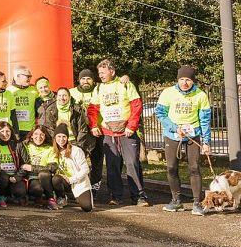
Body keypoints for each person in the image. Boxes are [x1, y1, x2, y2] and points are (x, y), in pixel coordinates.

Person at [87, 59, 149, 207]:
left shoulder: (125, 84)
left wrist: (131, 126)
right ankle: (115, 196)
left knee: (132, 163)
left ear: (112, 71)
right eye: (99, 73)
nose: (100, 75)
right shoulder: (98, 88)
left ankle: (139, 196)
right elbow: (92, 109)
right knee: (112, 165)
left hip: (127, 132)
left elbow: (136, 105)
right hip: (108, 133)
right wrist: (94, 125)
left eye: (103, 72)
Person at [156, 65, 211, 215]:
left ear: (193, 81)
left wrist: (206, 142)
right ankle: (176, 201)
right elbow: (160, 113)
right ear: (177, 80)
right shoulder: (168, 93)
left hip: (193, 134)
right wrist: (174, 128)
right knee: (171, 167)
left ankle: (197, 203)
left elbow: (205, 120)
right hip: (172, 134)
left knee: (194, 167)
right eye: (181, 79)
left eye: (188, 80)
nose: (184, 83)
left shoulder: (201, 95)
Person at [70, 68, 104, 194]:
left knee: (97, 161)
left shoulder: (100, 89)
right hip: (79, 132)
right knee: (77, 161)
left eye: (89, 78)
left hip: (98, 130)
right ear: (79, 80)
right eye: (83, 78)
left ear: (93, 80)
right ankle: (76, 187)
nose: (86, 81)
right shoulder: (71, 92)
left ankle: (95, 186)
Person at [0, 120, 27, 208]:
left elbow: (25, 163)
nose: (5, 134)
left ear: (11, 132)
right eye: (2, 131)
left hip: (15, 175)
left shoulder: (18, 145)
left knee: (20, 191)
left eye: (7, 131)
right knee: (3, 176)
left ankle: (11, 196)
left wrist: (17, 176)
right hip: (0, 176)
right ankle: (1, 196)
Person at [52, 123, 93, 212]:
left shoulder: (76, 150)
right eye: (59, 136)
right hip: (62, 181)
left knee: (87, 207)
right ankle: (62, 197)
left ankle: (73, 197)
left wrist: (71, 179)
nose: (61, 139)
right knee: (56, 179)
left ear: (67, 138)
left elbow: (85, 169)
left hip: (77, 181)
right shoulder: (52, 151)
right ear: (55, 137)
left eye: (64, 136)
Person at [22, 125, 59, 209]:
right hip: (31, 178)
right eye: (36, 134)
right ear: (31, 135)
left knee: (44, 174)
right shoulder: (26, 146)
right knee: (37, 189)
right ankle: (37, 197)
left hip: (45, 178)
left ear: (45, 136)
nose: (39, 137)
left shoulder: (50, 148)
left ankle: (50, 198)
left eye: (42, 134)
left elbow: (52, 167)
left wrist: (33, 168)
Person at [7, 65, 40, 141]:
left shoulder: (34, 90)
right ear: (18, 76)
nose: (29, 78)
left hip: (29, 130)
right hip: (13, 129)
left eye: (30, 76)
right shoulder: (8, 91)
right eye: (27, 76)